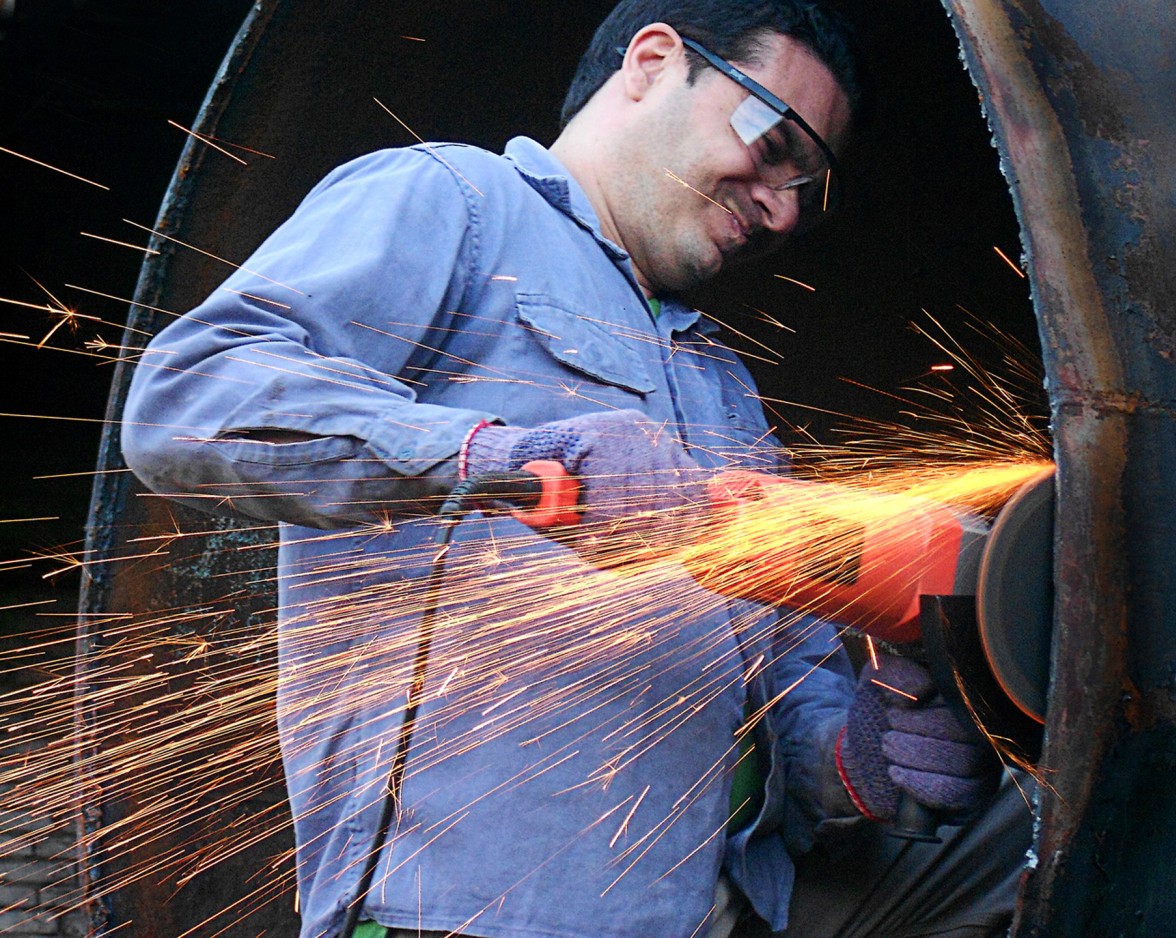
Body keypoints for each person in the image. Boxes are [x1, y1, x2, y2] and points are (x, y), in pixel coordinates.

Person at [121, 2, 1029, 937]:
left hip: (707, 917)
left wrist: (856, 765)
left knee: (1032, 826)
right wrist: (508, 459)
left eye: (810, 186)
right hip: (467, 917)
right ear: (651, 61)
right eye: (771, 141)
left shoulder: (724, 389)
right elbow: (191, 399)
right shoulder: (459, 202)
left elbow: (788, 702)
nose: (783, 207)